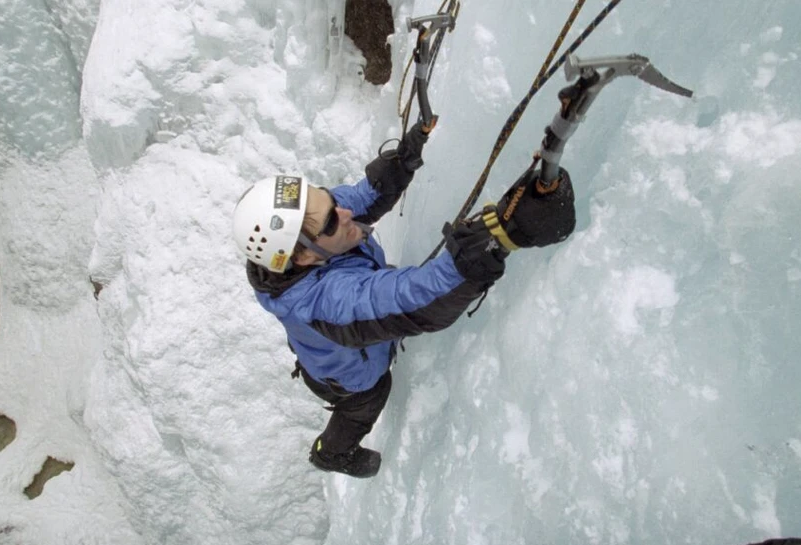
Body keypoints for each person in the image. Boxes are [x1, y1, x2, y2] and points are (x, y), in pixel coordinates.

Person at [231, 123, 577, 478]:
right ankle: (331, 453)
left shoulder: (310, 229)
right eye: (333, 221)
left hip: (334, 346)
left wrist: (401, 160)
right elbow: (414, 299)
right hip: (349, 378)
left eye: (330, 199)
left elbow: (362, 198)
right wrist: (492, 242)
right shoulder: (328, 303)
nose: (344, 212)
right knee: (369, 400)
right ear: (303, 257)